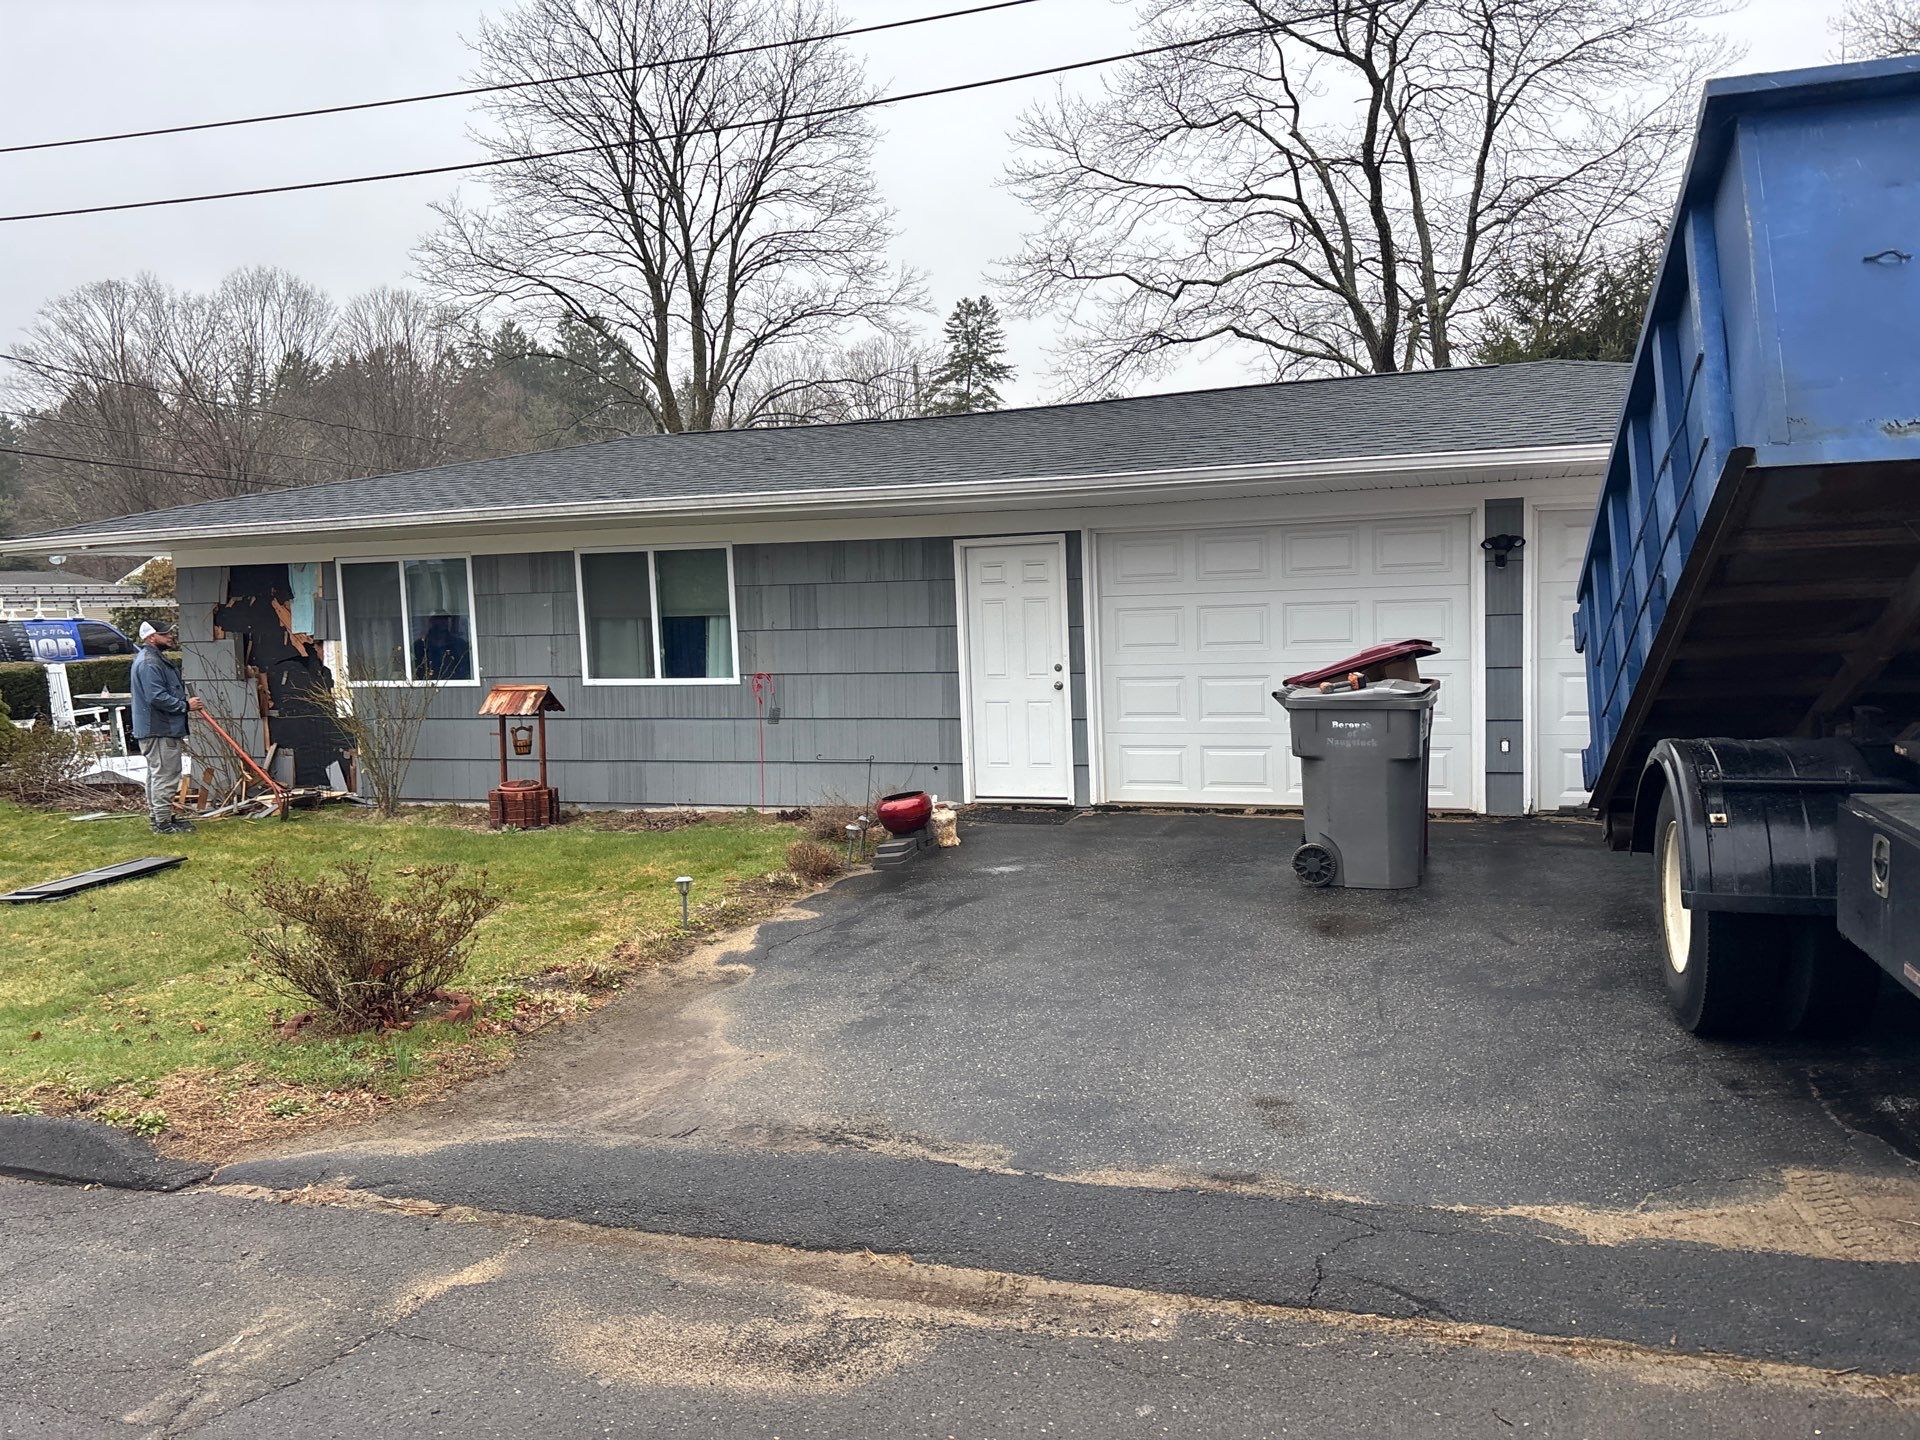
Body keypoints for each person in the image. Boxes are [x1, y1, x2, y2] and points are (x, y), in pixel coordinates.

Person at [129, 619, 204, 835]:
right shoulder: (150, 663)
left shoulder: (153, 660)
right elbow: (156, 697)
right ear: (151, 637)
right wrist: (185, 706)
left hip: (157, 728)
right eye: (165, 634)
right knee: (165, 775)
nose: (170, 637)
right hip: (159, 728)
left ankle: (160, 817)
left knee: (157, 774)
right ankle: (162, 824)